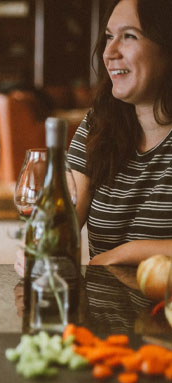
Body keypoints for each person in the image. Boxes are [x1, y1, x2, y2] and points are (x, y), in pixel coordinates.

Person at [67, 0, 172, 265]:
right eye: (108, 37)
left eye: (128, 36)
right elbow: (64, 222)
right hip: (105, 306)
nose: (109, 52)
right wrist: (40, 244)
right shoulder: (98, 123)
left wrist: (125, 254)